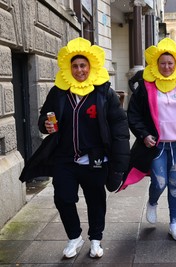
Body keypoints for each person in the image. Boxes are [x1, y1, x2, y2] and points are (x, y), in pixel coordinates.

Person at [18, 37, 130, 258]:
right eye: (75, 66)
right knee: (63, 198)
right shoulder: (59, 92)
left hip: (95, 160)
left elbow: (119, 128)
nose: (79, 70)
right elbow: (44, 117)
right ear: (69, 68)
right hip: (65, 159)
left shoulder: (103, 93)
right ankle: (74, 237)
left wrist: (119, 164)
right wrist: (45, 124)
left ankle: (96, 239)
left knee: (96, 201)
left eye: (83, 66)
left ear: (90, 67)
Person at [119, 38, 176, 241]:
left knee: (175, 184)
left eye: (170, 63)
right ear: (156, 64)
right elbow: (134, 115)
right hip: (157, 144)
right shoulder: (146, 86)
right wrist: (143, 134)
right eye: (162, 63)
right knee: (160, 182)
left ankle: (174, 223)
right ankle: (152, 201)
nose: (166, 67)